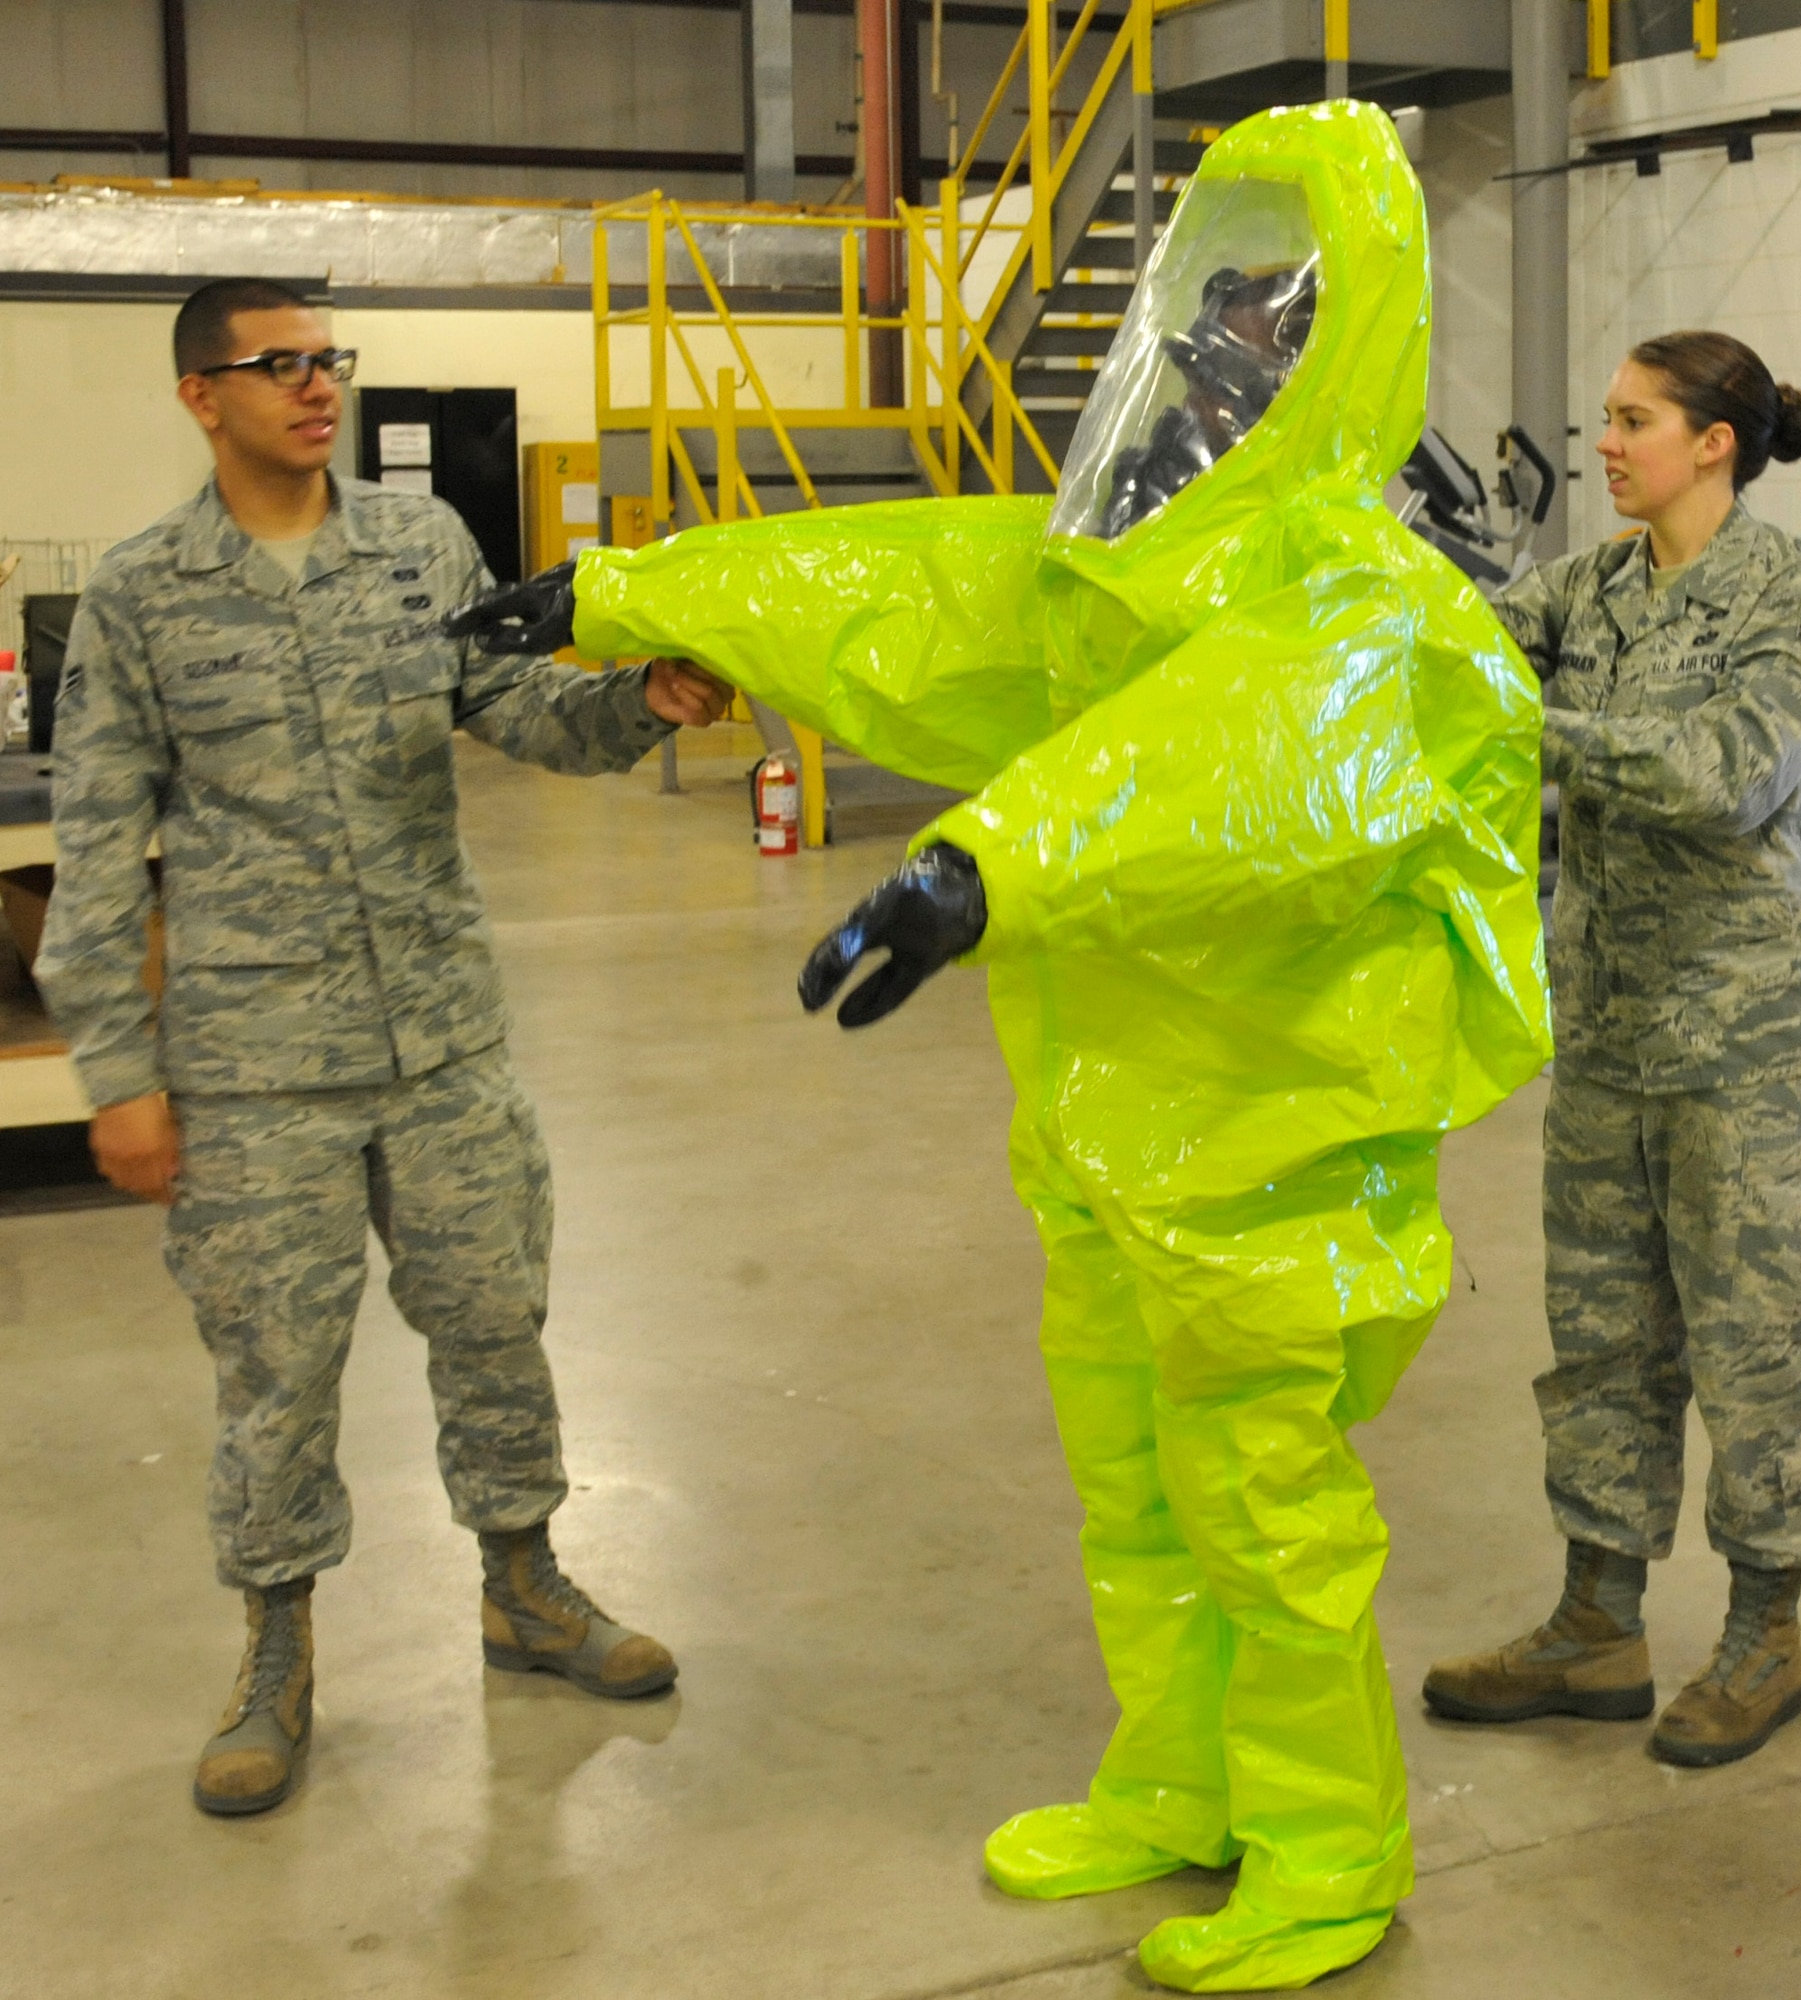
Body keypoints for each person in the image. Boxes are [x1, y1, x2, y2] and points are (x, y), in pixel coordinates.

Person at [452, 104, 1551, 1991]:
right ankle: (1174, 1782)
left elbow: (1233, 763)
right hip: (1113, 1132)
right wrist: (633, 589)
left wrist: (983, 863)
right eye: (1214, 309)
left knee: (1265, 1516)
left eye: (1280, 316)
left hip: (1280, 1149)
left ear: (1348, 336)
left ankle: (1321, 1852)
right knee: (1132, 1495)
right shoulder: (1124, 564)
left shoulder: (1375, 610)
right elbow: (924, 593)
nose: (1226, 351)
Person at [35, 276, 732, 1819]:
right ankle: (276, 1655)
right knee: (276, 1372)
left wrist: (641, 703)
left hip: (441, 1037)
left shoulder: (422, 551)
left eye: (325, 360)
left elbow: (519, 707)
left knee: (494, 1319)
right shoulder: (146, 594)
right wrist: (122, 1075)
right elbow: (95, 847)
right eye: (272, 365)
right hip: (253, 1061)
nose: (312, 385)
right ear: (197, 395)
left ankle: (524, 1586)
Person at [1423, 331, 1801, 1769]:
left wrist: (1521, 727)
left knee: (1753, 1350)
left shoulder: (1788, 595)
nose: (1603, 446)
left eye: (1630, 422)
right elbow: (1450, 646)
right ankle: (1594, 1624)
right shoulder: (1591, 590)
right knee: (1601, 1339)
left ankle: (1763, 1637)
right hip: (1605, 1032)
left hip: (1744, 1045)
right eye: (1603, 422)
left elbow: (1724, 778)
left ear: (1711, 442)